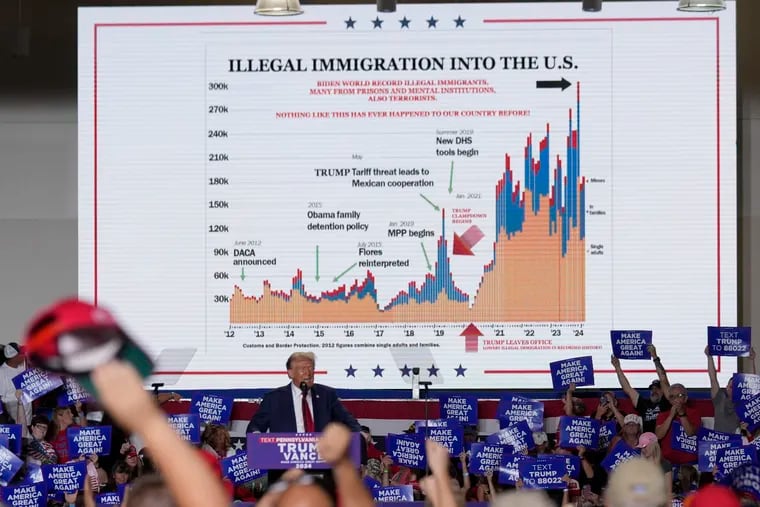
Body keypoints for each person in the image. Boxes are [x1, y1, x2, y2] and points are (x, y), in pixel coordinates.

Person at [247, 352, 361, 434]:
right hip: (285, 461)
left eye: (311, 368)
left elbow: (347, 420)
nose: (308, 373)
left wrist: (360, 432)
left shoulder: (327, 395)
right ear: (290, 373)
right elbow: (254, 427)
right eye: (302, 369)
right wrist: (256, 436)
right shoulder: (273, 399)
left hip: (321, 460)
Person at [610, 344, 672, 433]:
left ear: (664, 391)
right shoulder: (644, 404)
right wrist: (617, 368)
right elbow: (627, 389)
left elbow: (663, 379)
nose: (654, 391)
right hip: (645, 441)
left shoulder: (667, 401)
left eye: (658, 388)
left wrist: (655, 357)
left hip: (663, 438)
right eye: (652, 389)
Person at [0, 343, 32, 427]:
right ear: (14, 357)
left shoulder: (22, 367)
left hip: (28, 419)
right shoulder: (2, 373)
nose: (23, 355)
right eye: (21, 354)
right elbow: (1, 399)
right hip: (13, 421)